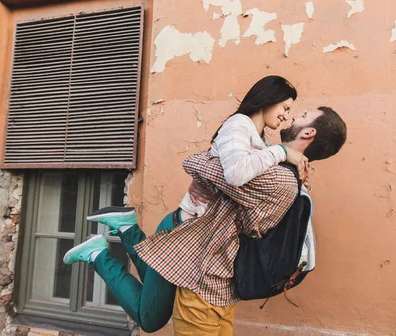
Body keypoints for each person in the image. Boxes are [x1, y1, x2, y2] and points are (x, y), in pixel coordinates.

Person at [63, 75, 310, 332]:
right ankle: (98, 254)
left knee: (155, 301)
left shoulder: (260, 140)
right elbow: (236, 173)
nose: (285, 115)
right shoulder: (239, 125)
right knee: (150, 318)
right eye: (285, 107)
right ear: (269, 98)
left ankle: (126, 228)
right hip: (184, 232)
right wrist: (282, 152)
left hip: (195, 239)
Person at [135, 106, 347, 335]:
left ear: (308, 133)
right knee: (152, 296)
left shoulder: (277, 176)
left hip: (206, 285)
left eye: (304, 116)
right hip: (225, 287)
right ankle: (123, 233)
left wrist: (280, 151)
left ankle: (118, 237)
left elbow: (201, 165)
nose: (294, 115)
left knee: (150, 312)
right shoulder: (289, 175)